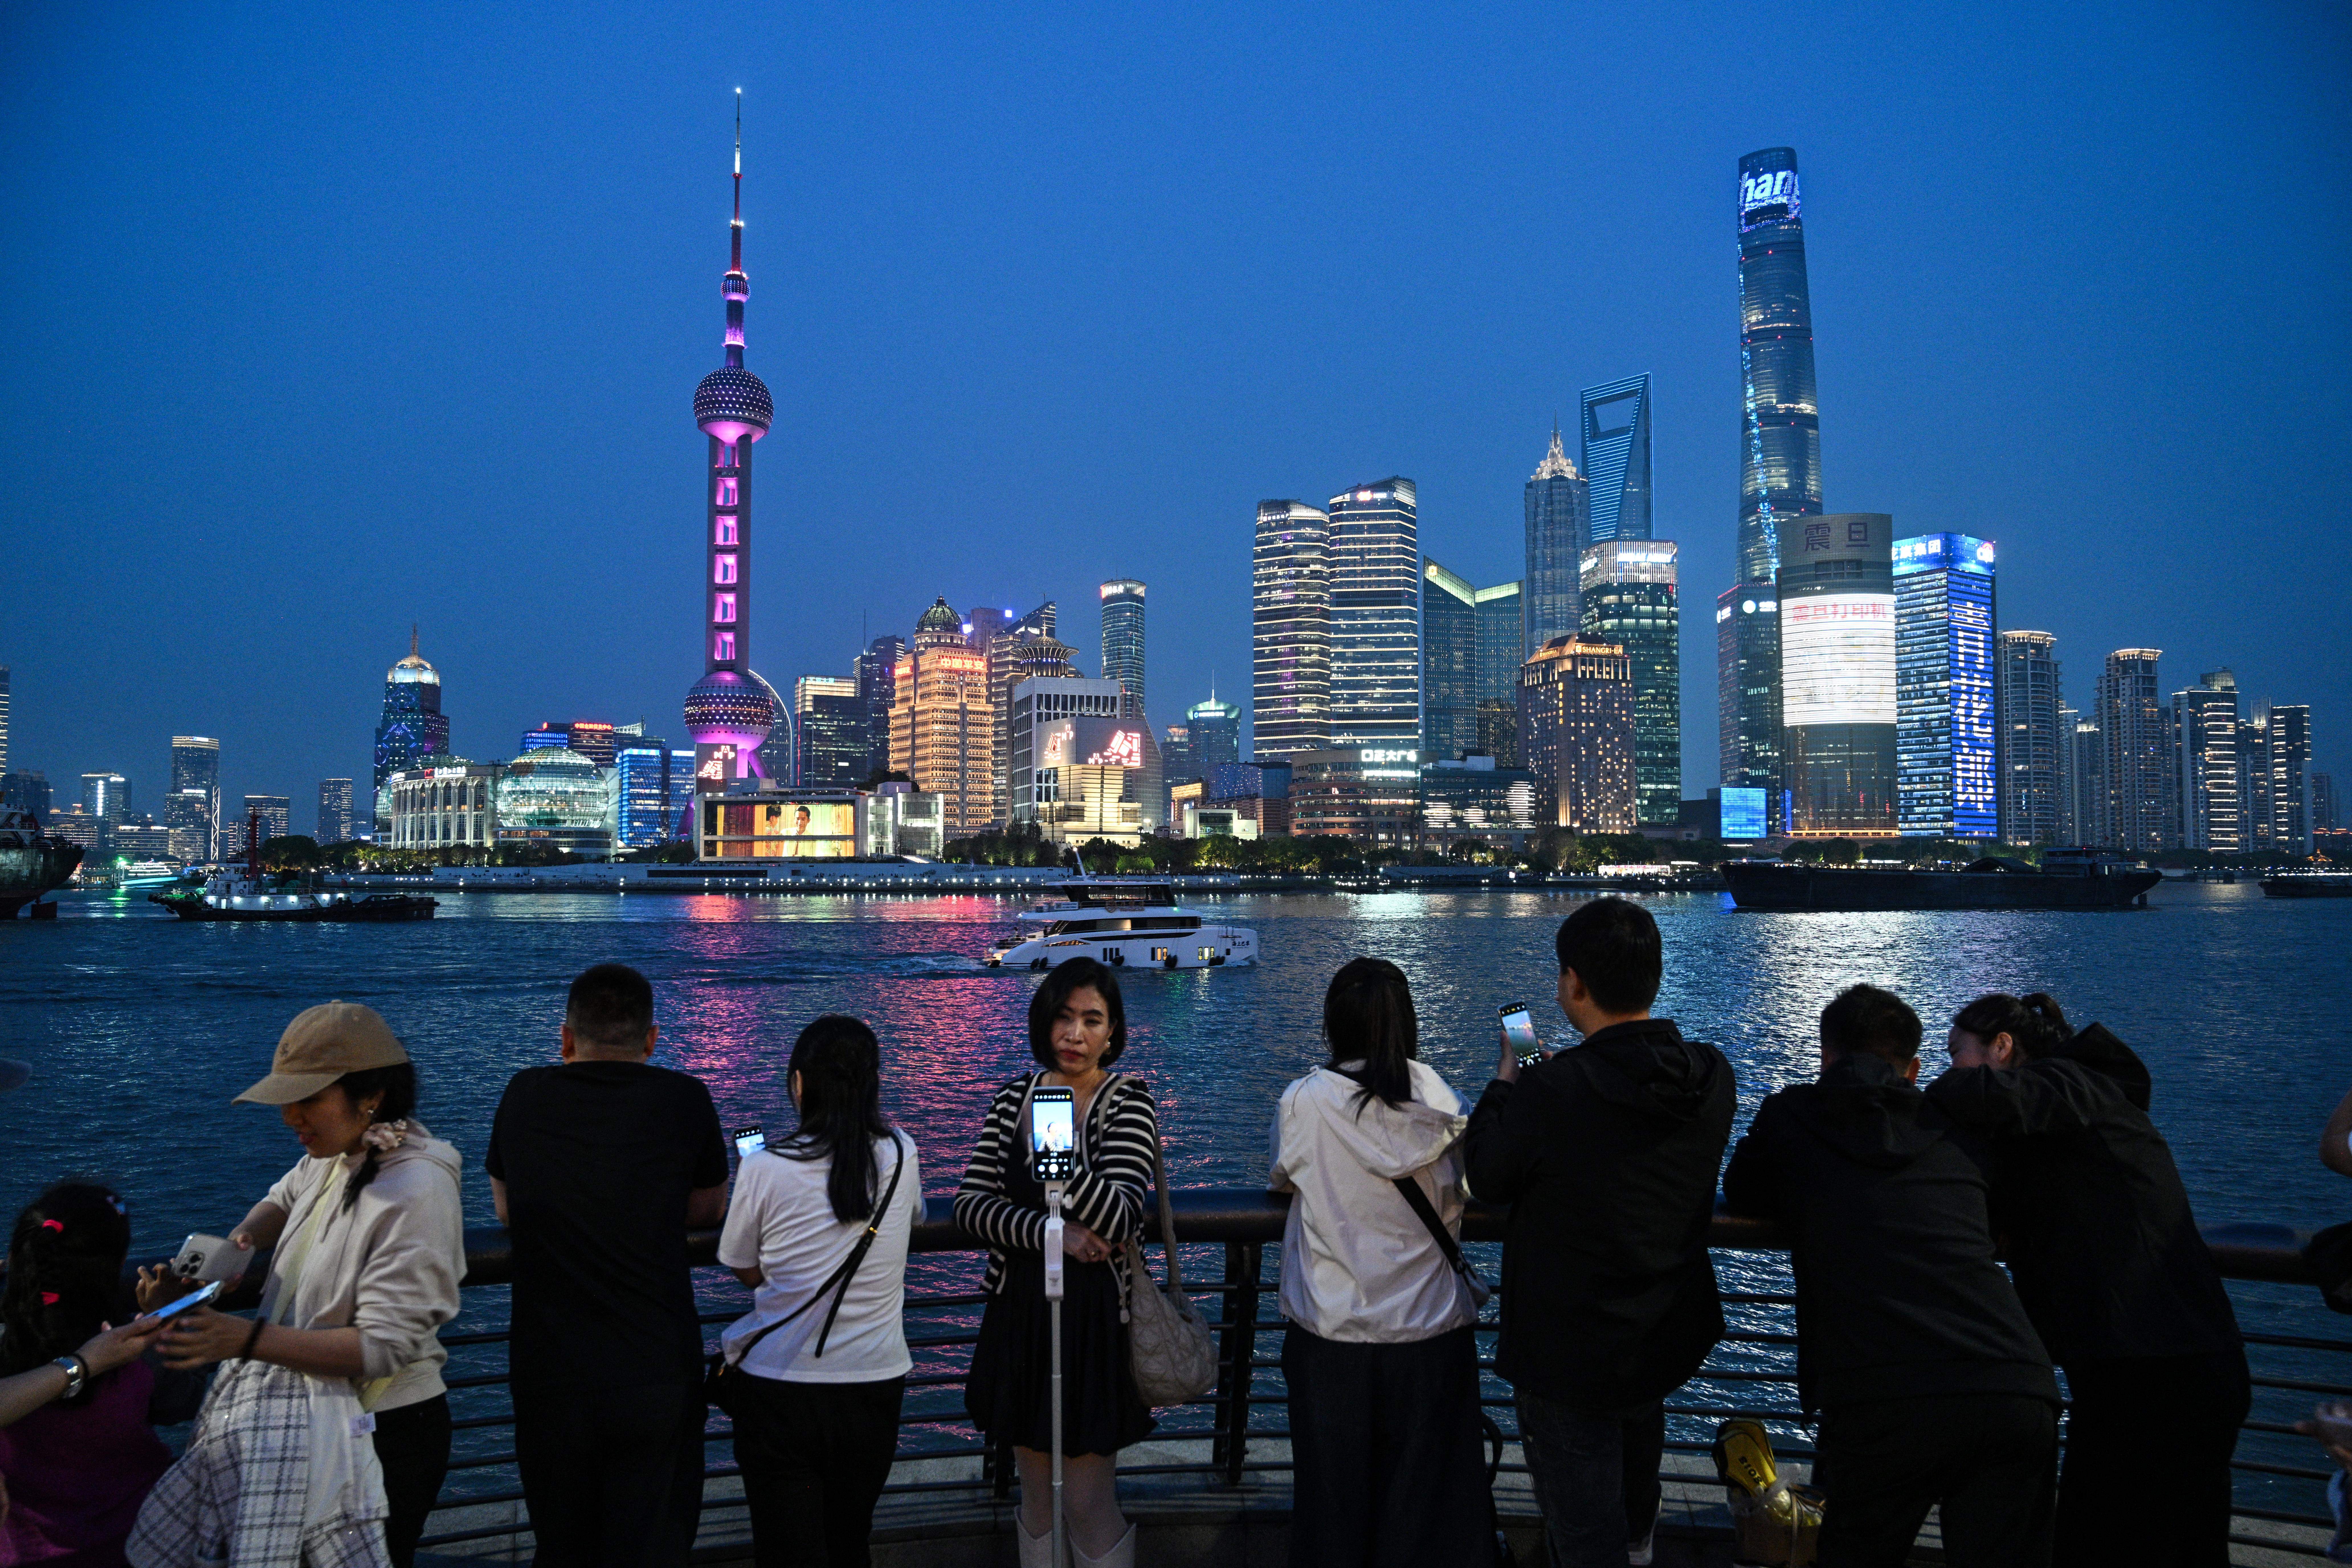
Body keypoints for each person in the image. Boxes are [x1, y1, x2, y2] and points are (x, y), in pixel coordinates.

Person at [1722, 984, 2059, 1568]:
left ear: (1826, 1056)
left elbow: (1745, 1186)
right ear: (1915, 1068)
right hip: (2010, 1381)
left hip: (1885, 1391)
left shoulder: (1795, 1116)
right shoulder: (1956, 1127)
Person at [130, 1001, 467, 1568]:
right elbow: (284, 1199)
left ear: (371, 1096)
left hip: (382, 1432)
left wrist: (243, 1338)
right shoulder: (339, 1152)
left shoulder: (417, 1187)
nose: (291, 1117)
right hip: (314, 1419)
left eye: (309, 1099)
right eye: (288, 1099)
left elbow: (385, 1346)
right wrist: (233, 1251)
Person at [1925, 993, 2247, 1568]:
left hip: (2159, 1374)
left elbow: (1978, 1095)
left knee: (2100, 1542)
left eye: (1956, 1053)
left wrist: (1923, 1091)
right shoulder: (2061, 1124)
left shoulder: (2073, 1083)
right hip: (2155, 1370)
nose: (1948, 1067)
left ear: (2003, 1047)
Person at [1461, 897, 1733, 1568]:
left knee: (1582, 1536)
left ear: (1574, 983)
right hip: (1661, 1336)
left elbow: (1489, 1177)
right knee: (1635, 1508)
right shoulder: (1711, 1076)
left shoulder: (1554, 1088)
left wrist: (1508, 1082)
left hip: (1568, 1350)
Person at [487, 962, 730, 1568]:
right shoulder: (685, 1097)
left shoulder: (525, 1093)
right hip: (655, 1365)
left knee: (563, 1544)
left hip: (551, 1371)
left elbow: (508, 1207)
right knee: (653, 1543)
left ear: (566, 1038)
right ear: (651, 1039)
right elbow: (708, 1207)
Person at [1268, 957, 1490, 1567]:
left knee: (1331, 1517)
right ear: (1407, 1024)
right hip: (1432, 1339)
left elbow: (1282, 1176)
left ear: (1332, 1027)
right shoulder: (1446, 1104)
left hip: (1331, 1340)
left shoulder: (1304, 1103)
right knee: (1429, 1523)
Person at [957, 957, 1157, 1568]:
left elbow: (1121, 1216)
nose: (1075, 1034)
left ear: (1113, 1032)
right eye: (1064, 1018)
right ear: (1045, 1023)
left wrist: (1060, 1156)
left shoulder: (1129, 1101)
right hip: (1021, 1309)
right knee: (1037, 1495)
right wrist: (1054, 1233)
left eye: (1092, 1021)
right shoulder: (1014, 1098)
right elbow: (971, 1206)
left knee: (1090, 1499)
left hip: (1094, 1319)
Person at [716, 1015, 922, 1568]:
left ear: (800, 1085)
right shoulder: (903, 1154)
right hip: (875, 1387)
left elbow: (742, 1265)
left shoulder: (766, 1167)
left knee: (788, 1552)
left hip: (783, 1389)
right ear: (874, 1084)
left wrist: (780, 1278)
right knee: (850, 1542)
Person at [0, 1184, 180, 1564]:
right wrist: (165, 1325)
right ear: (118, 1266)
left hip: (25, 1553)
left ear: (19, 1257)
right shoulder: (132, 1358)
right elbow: (181, 1400)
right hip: (143, 1543)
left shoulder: (9, 1358)